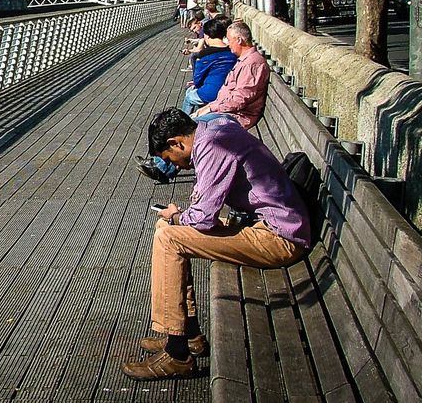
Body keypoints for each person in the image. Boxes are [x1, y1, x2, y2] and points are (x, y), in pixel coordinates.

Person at [121, 109, 310, 380]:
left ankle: (178, 355)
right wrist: (180, 214)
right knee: (165, 228)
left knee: (169, 237)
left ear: (177, 143)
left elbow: (203, 219)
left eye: (169, 158)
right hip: (265, 225)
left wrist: (176, 214)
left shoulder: (211, 144)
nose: (174, 166)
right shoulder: (214, 127)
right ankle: (188, 334)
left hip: (279, 238)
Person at [137, 21, 269, 183]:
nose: (227, 43)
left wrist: (211, 107)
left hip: (238, 116)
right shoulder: (244, 60)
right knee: (187, 125)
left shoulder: (252, 64)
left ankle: (162, 167)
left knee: (190, 128)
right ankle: (163, 166)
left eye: (229, 39)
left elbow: (240, 100)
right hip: (228, 111)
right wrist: (210, 107)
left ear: (240, 40)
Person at [180, 18, 237, 114]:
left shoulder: (205, 55)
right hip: (229, 92)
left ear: (207, 36)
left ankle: (184, 124)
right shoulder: (232, 52)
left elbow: (197, 80)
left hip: (213, 93)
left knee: (189, 96)